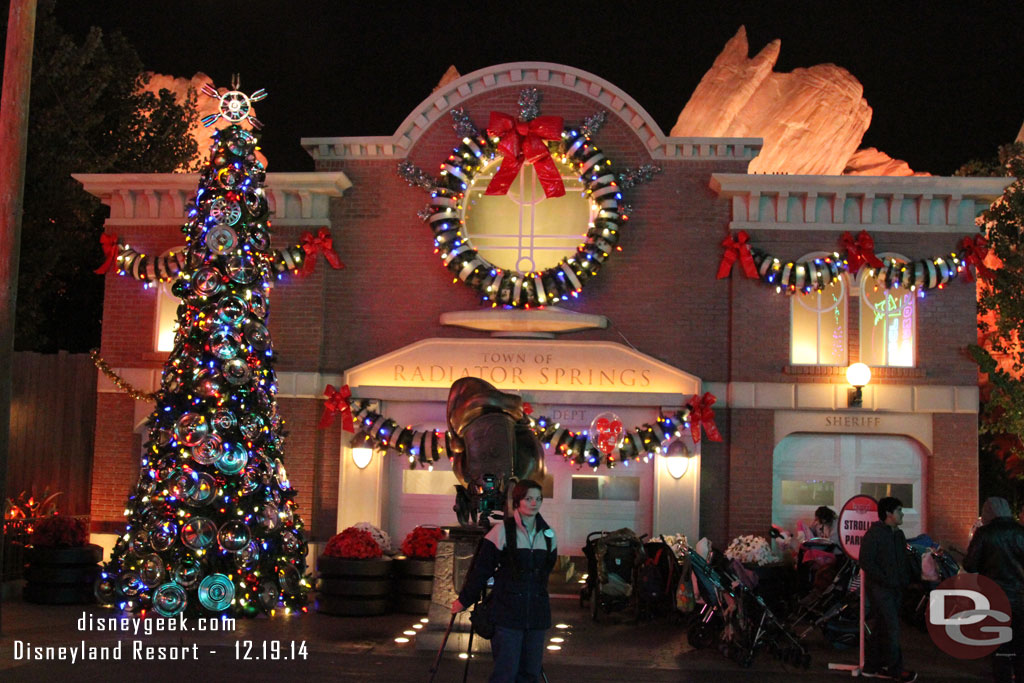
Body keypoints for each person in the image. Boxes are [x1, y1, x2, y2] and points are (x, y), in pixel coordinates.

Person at [452, 479, 557, 682]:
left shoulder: (548, 534)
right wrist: (464, 600)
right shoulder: (501, 533)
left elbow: (545, 572)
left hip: (536, 614)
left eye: (538, 499)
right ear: (517, 501)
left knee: (530, 673)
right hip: (507, 613)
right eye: (528, 498)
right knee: (505, 673)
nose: (534, 503)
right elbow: (480, 571)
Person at [965, 497, 1024, 682]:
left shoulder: (984, 533)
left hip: (994, 596)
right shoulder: (1020, 532)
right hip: (1021, 596)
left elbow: (970, 565)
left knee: (999, 643)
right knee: (1020, 641)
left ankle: (1003, 677)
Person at [859, 496, 917, 682]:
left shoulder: (898, 535)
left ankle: (871, 666)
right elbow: (866, 561)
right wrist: (886, 580)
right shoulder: (874, 535)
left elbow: (903, 561)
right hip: (880, 589)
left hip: (895, 589)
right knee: (892, 628)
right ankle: (895, 669)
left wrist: (905, 580)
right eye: (899, 510)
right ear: (888, 514)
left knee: (882, 628)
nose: (902, 515)